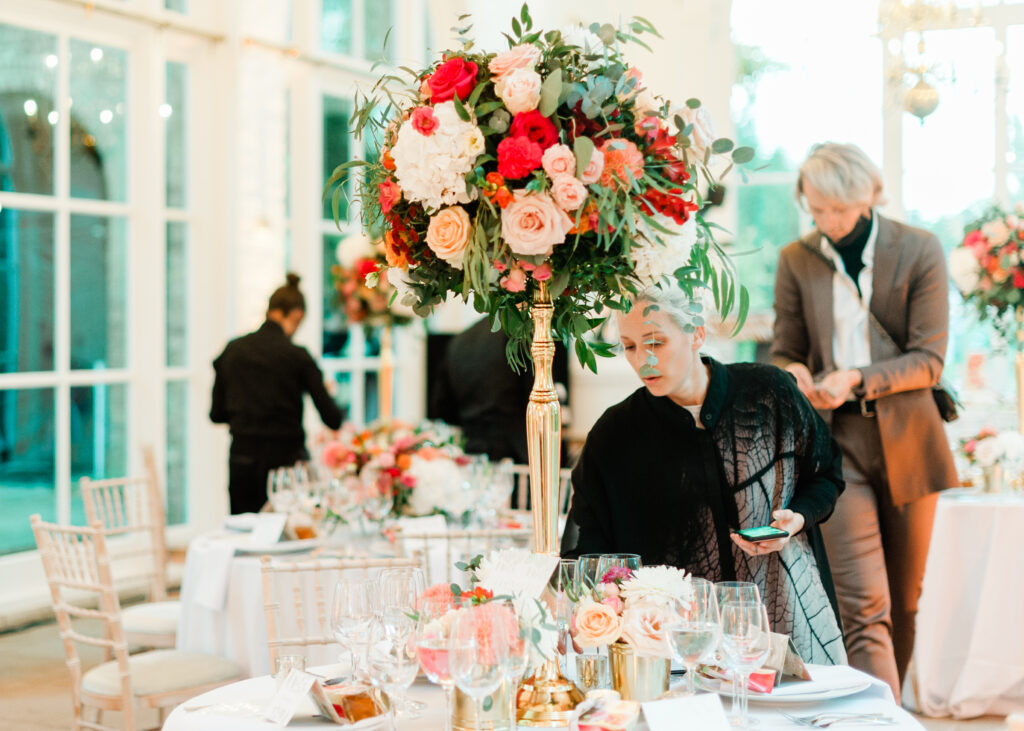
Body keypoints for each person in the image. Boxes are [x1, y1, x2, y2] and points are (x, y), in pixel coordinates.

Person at [561, 286, 847, 666]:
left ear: (696, 334)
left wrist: (798, 518)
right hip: (676, 644)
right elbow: (588, 548)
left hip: (788, 619)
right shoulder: (614, 435)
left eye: (656, 342)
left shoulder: (770, 393)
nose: (642, 360)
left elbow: (826, 472)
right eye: (629, 346)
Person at [771, 142, 957, 701]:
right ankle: (877, 719)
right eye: (816, 209)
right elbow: (783, 349)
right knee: (864, 603)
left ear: (866, 197)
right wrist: (796, 372)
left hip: (910, 441)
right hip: (837, 444)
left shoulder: (919, 249)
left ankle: (886, 706)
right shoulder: (797, 258)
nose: (827, 222)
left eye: (838, 209)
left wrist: (855, 376)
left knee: (904, 601)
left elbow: (929, 359)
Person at [210, 273, 343, 514]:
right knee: (289, 538)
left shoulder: (233, 351)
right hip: (287, 466)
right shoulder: (298, 356)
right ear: (296, 315)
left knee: (246, 535)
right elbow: (332, 418)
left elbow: (216, 414)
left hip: (243, 460)